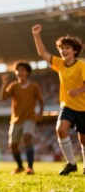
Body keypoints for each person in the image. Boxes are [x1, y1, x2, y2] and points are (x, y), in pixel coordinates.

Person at [31, 24, 85, 175]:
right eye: (62, 48)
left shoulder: (81, 66)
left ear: (75, 50)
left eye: (67, 47)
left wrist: (78, 91)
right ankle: (71, 164)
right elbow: (43, 53)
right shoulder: (60, 64)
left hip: (83, 107)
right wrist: (36, 35)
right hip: (67, 105)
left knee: (83, 140)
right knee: (60, 129)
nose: (63, 50)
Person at [0, 61, 44, 175]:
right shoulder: (14, 86)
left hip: (29, 117)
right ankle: (20, 166)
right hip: (16, 119)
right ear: (16, 72)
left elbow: (41, 101)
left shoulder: (34, 86)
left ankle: (30, 168)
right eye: (18, 70)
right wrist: (4, 83)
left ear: (28, 72)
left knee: (27, 137)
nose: (20, 72)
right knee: (13, 145)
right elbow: (3, 97)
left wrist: (40, 113)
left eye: (23, 70)